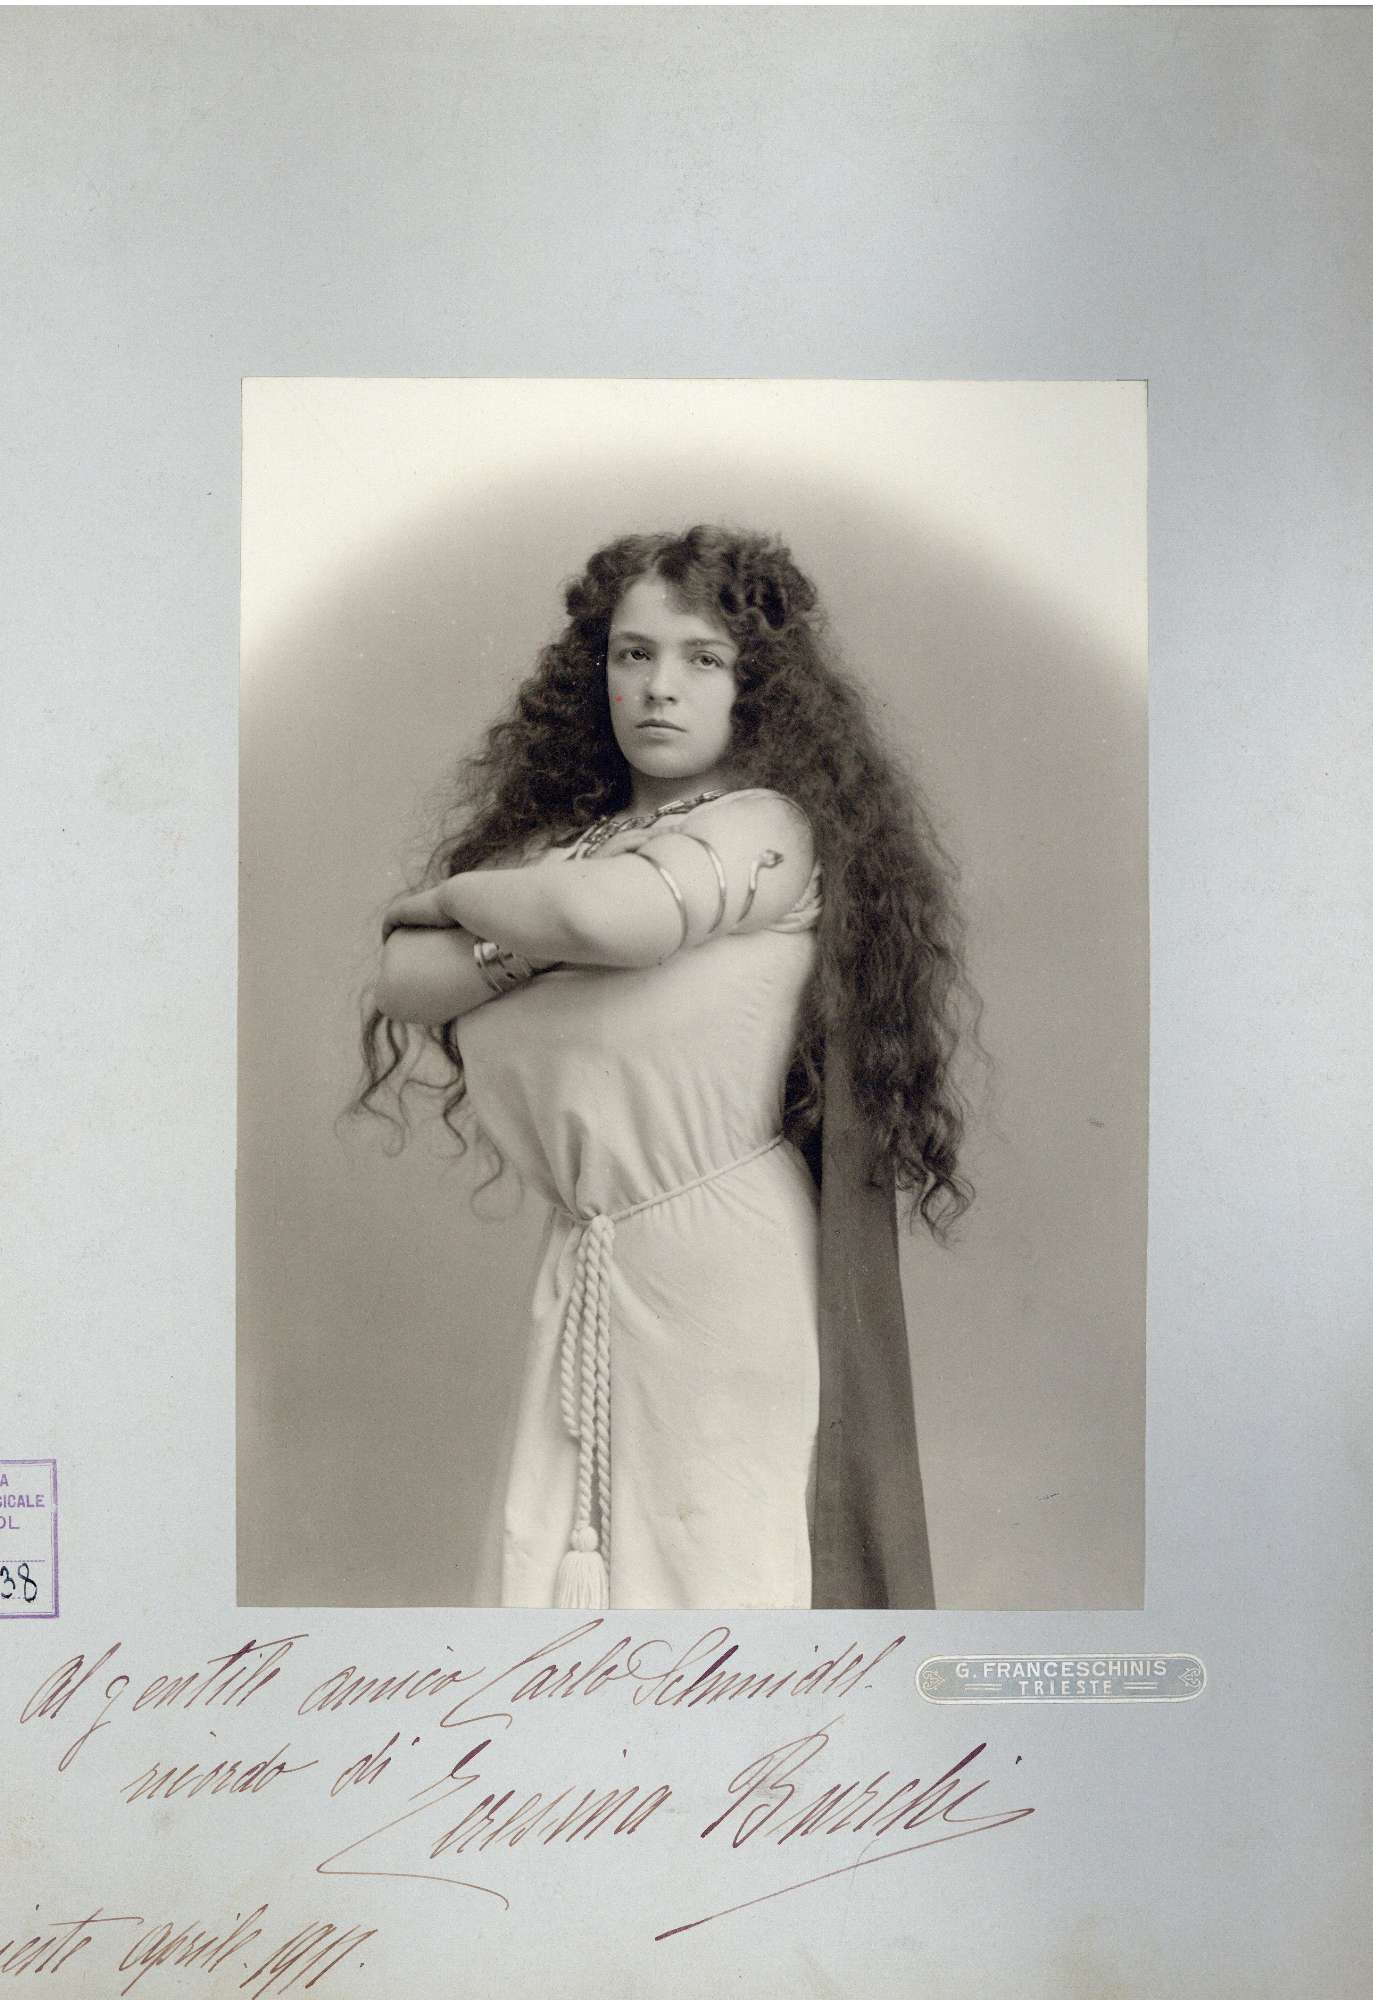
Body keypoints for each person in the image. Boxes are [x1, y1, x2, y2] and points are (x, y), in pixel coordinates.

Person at [355, 525, 979, 1611]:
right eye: (632, 654)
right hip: (591, 1255)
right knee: (555, 1566)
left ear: (756, 684)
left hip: (717, 1262)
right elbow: (403, 980)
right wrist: (536, 932)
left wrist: (460, 902)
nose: (659, 686)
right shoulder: (571, 847)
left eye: (703, 657)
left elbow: (617, 919)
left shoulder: (766, 828)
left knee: (708, 1574)